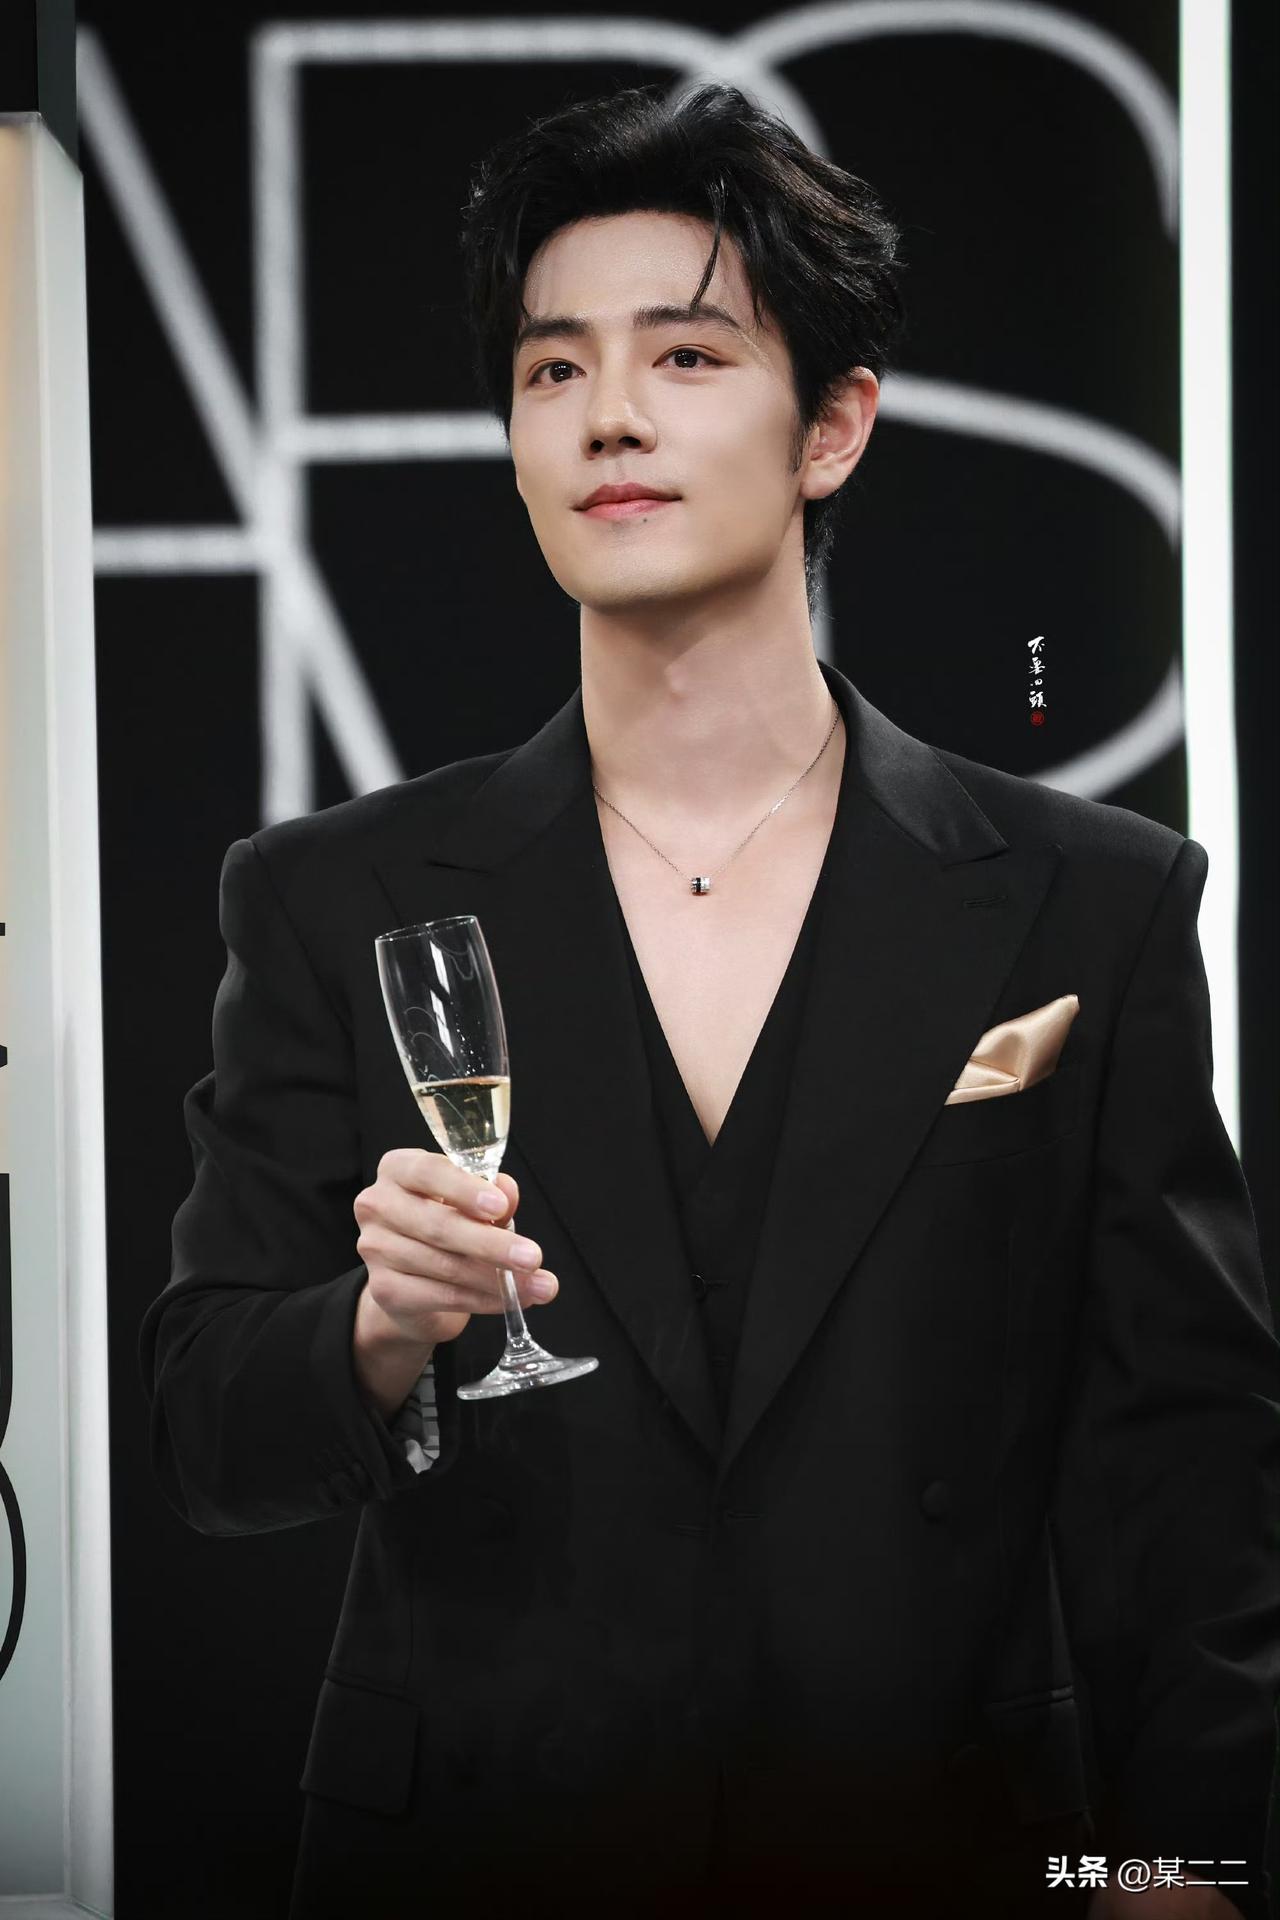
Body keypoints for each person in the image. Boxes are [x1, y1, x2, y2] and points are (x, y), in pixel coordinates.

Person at [140, 82, 1280, 1920]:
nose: (610, 414)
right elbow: (208, 1434)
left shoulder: (1092, 898)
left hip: (951, 1846)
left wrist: (1179, 1860)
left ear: (832, 427)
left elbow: (1185, 1457)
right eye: (553, 368)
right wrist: (374, 1326)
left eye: (684, 354)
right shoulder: (335, 895)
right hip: (474, 1854)